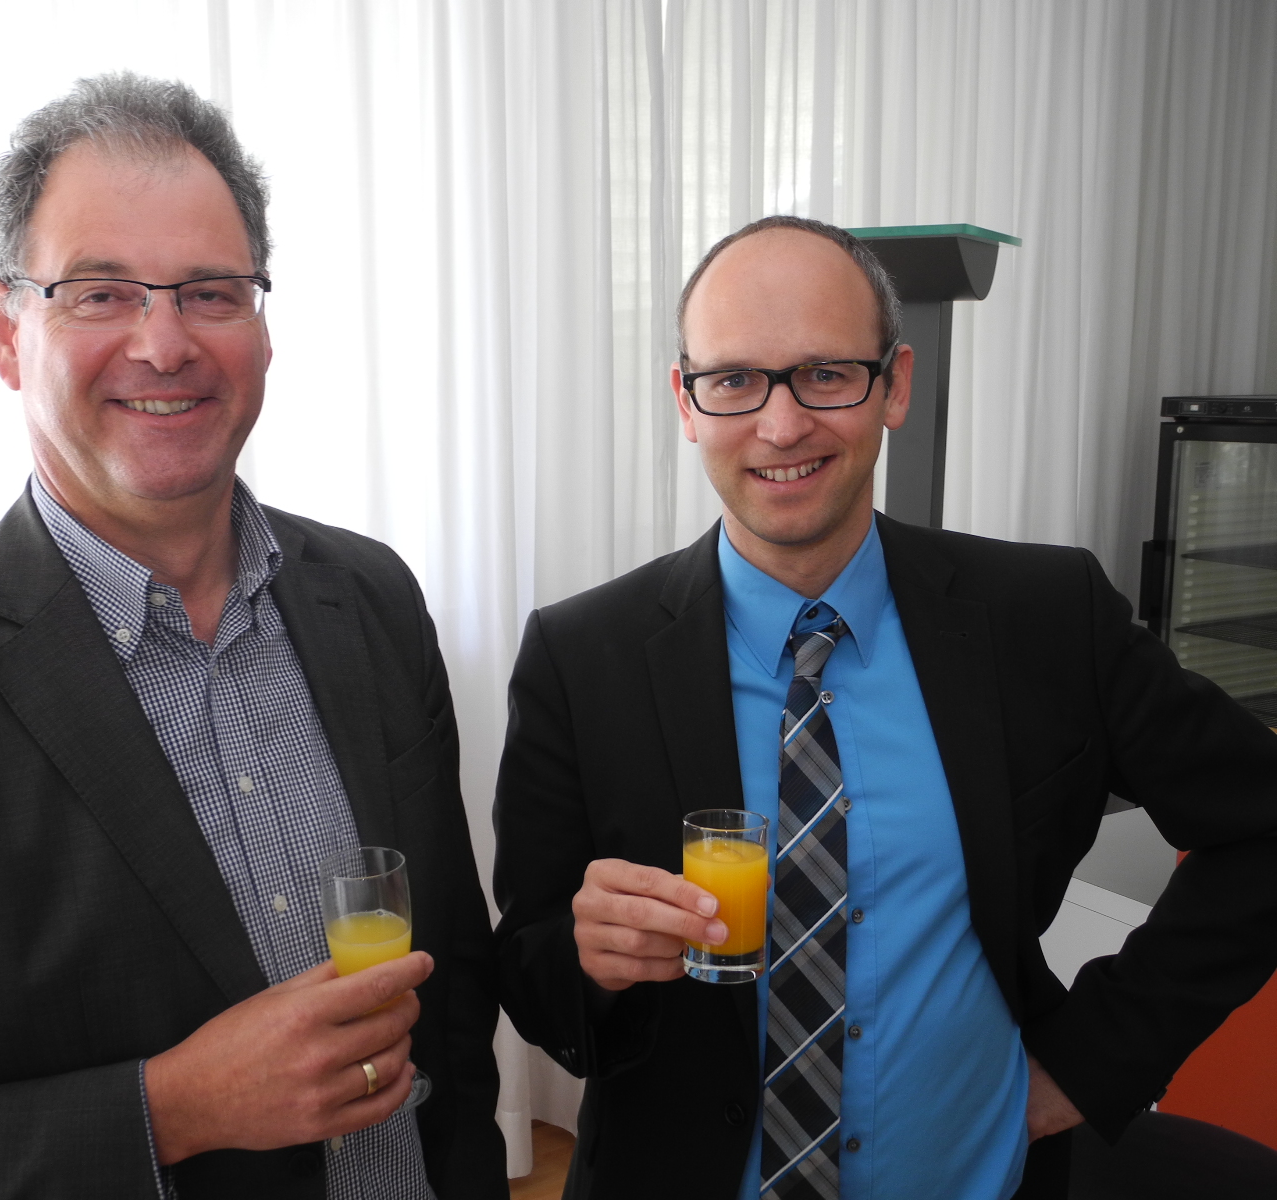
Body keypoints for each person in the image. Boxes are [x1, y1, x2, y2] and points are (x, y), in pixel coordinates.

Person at [0, 73, 506, 1200]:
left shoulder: (371, 598)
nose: (164, 344)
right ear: (5, 331)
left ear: (262, 326)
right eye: (100, 294)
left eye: (211, 292)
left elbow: (453, 997)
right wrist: (169, 1111)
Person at [491, 215, 1277, 1200]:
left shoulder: (1044, 616)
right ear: (686, 401)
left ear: (895, 384)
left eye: (826, 374)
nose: (782, 425)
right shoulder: (579, 658)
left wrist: (1093, 1061)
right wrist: (588, 959)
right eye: (733, 380)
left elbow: (1261, 824)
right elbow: (531, 973)